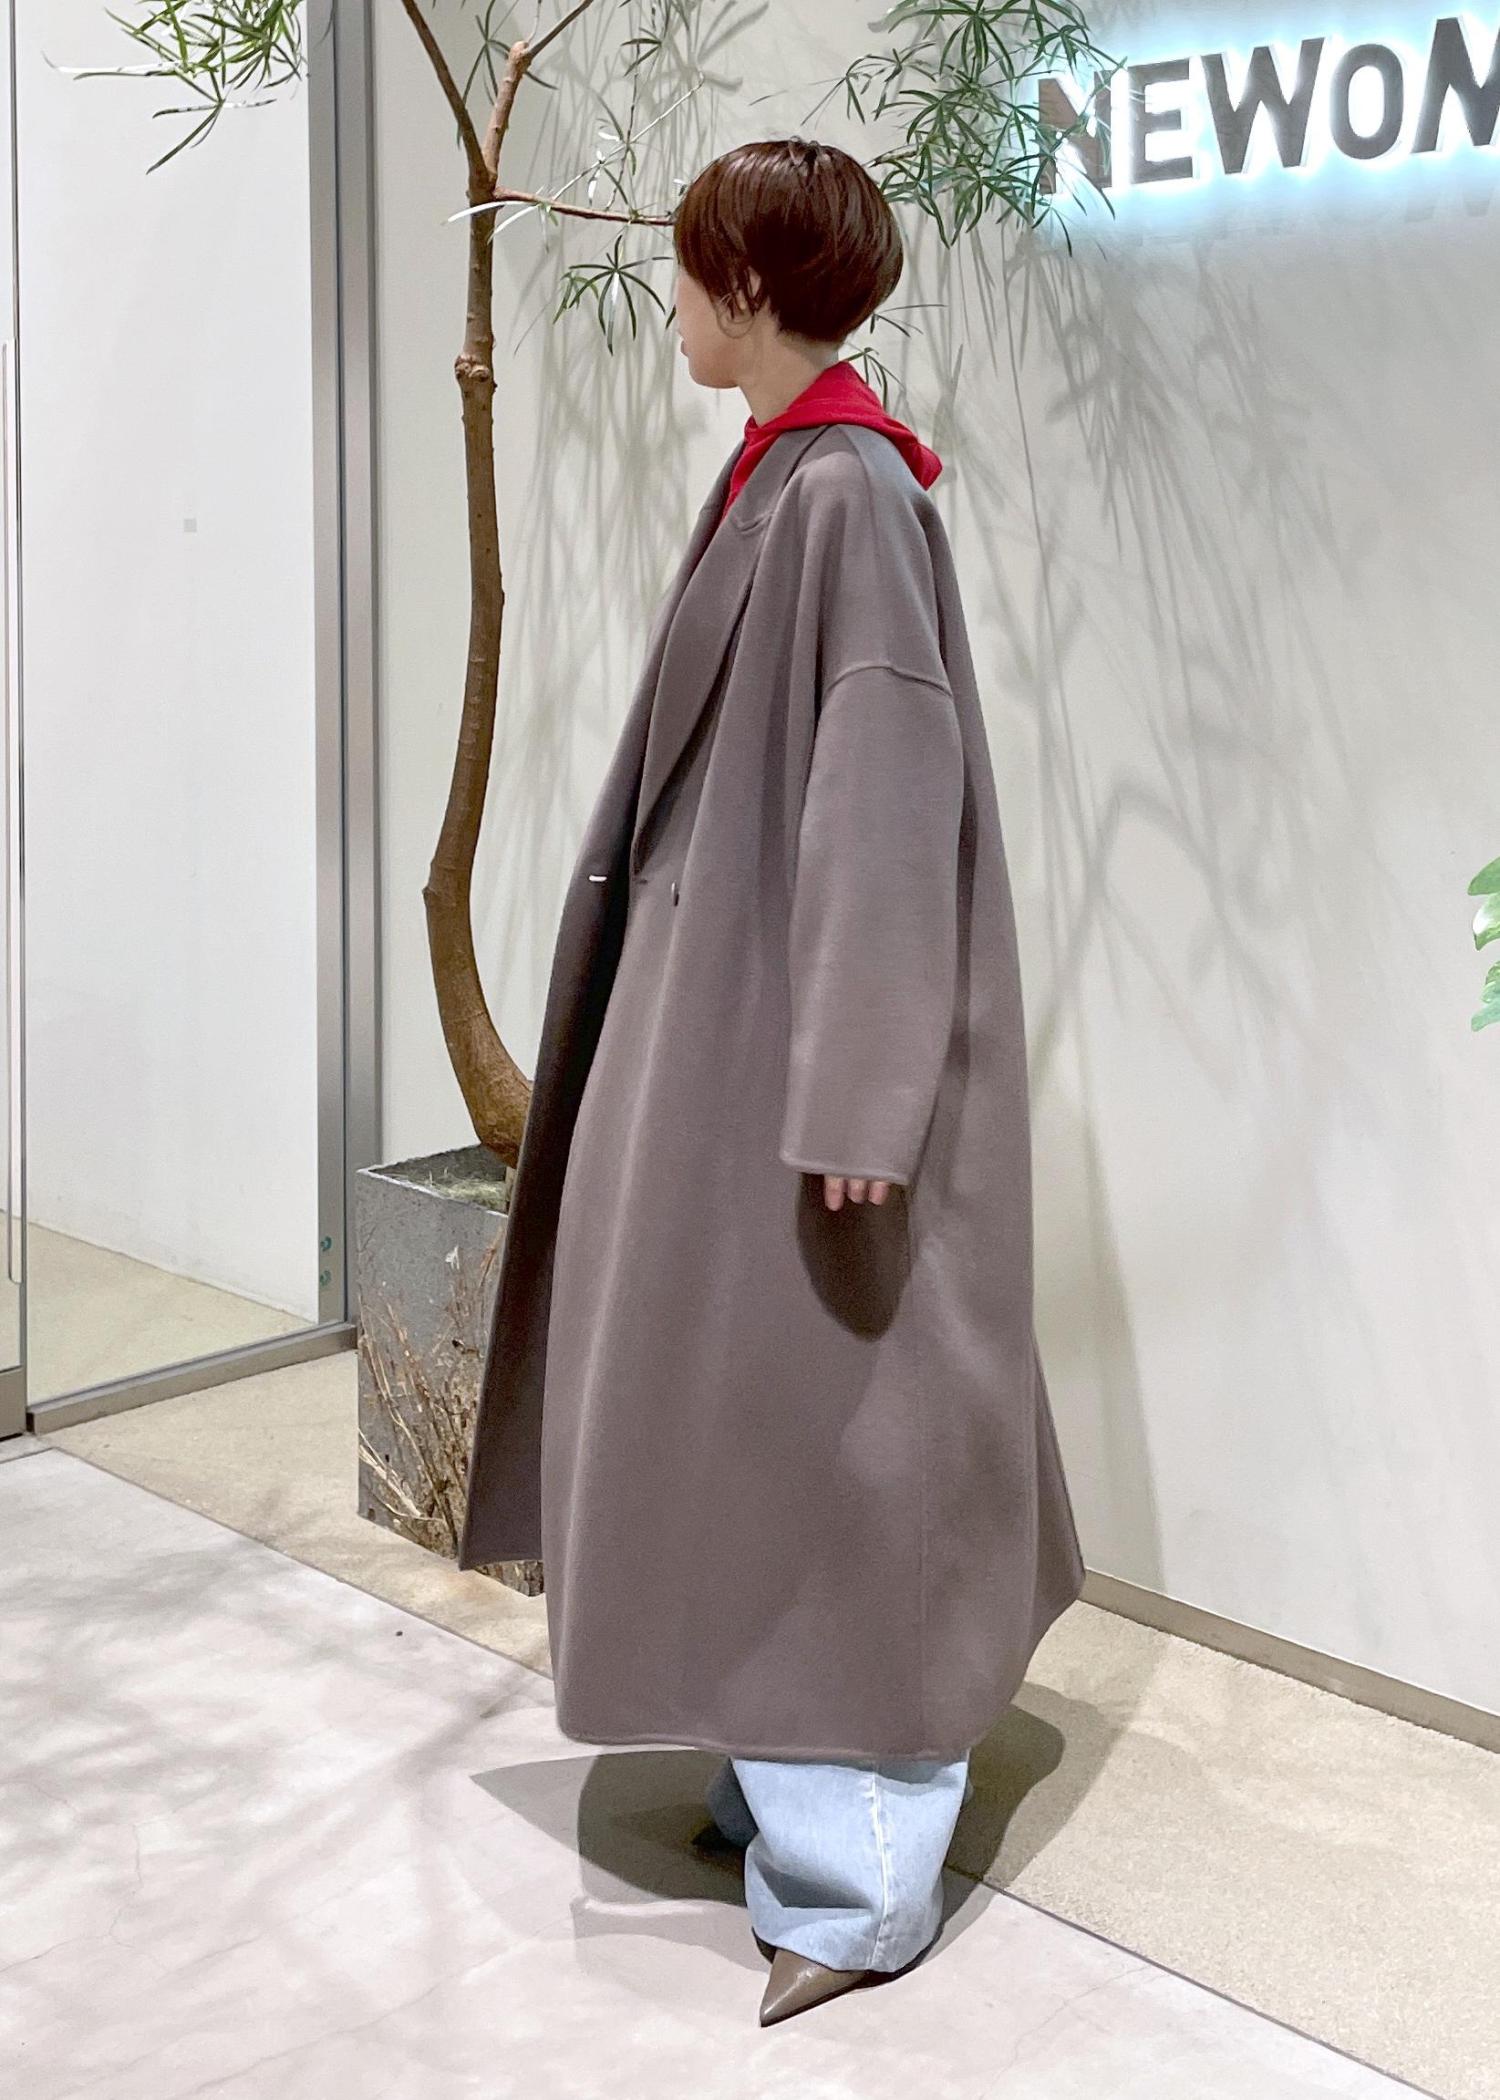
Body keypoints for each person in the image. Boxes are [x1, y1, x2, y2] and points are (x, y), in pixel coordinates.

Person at [456, 137, 1087, 2027]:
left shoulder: (848, 496)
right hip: (725, 1045)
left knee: (836, 1446)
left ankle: (858, 1879)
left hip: (790, 1078)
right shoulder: (791, 475)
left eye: (686, 272)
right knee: (737, 1426)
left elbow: (887, 791)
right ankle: (771, 1771)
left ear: (745, 286)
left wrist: (862, 1097)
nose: (670, 302)